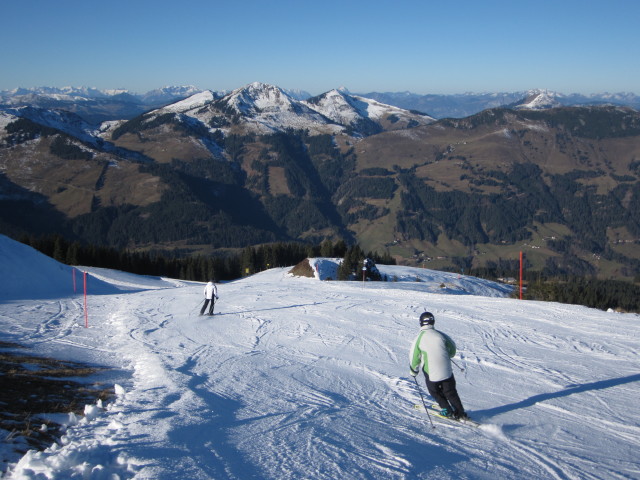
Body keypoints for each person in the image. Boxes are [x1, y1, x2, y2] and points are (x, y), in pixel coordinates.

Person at [409, 311, 469, 420]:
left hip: (431, 373)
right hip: (447, 370)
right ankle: (460, 412)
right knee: (450, 392)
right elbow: (452, 348)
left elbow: (414, 356)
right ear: (433, 322)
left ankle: (446, 409)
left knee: (434, 391)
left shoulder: (419, 338)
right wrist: (448, 354)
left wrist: (414, 371)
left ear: (421, 323)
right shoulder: (441, 335)